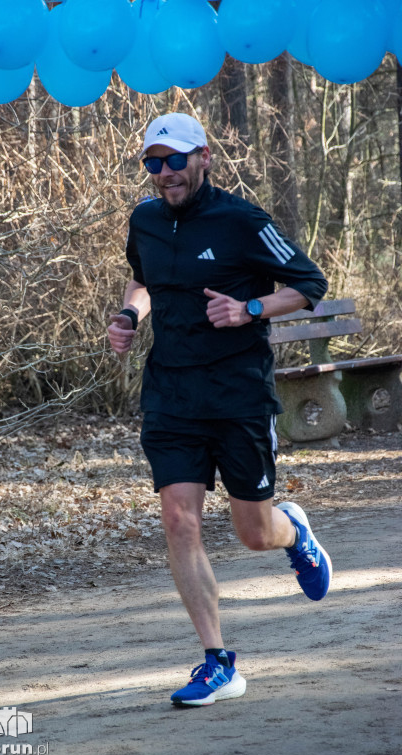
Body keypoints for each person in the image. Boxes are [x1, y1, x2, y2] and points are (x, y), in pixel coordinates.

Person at [107, 112, 332, 708]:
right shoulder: (146, 220)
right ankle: (218, 662)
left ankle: (295, 532)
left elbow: (310, 283)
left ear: (203, 157)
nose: (164, 174)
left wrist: (250, 309)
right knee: (180, 521)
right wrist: (132, 315)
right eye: (152, 163)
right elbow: (142, 281)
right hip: (172, 394)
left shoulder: (243, 221)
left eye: (174, 160)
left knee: (253, 533)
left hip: (236, 394)